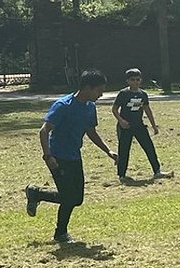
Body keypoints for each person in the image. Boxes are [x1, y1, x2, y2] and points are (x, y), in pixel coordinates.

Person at [25, 70, 117, 244]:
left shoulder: (90, 107)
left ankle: (36, 194)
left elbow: (91, 132)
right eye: (99, 90)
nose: (101, 94)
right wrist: (48, 156)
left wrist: (108, 151)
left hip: (75, 156)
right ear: (87, 88)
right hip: (58, 157)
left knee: (77, 199)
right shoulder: (64, 106)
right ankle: (60, 234)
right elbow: (44, 131)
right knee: (69, 197)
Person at [111, 68, 169, 182]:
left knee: (149, 148)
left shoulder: (143, 94)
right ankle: (122, 175)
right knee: (124, 150)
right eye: (133, 80)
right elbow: (114, 109)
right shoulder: (123, 94)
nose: (136, 82)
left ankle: (157, 171)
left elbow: (147, 110)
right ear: (128, 81)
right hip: (126, 127)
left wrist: (154, 126)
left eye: (138, 79)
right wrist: (121, 121)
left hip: (139, 126)